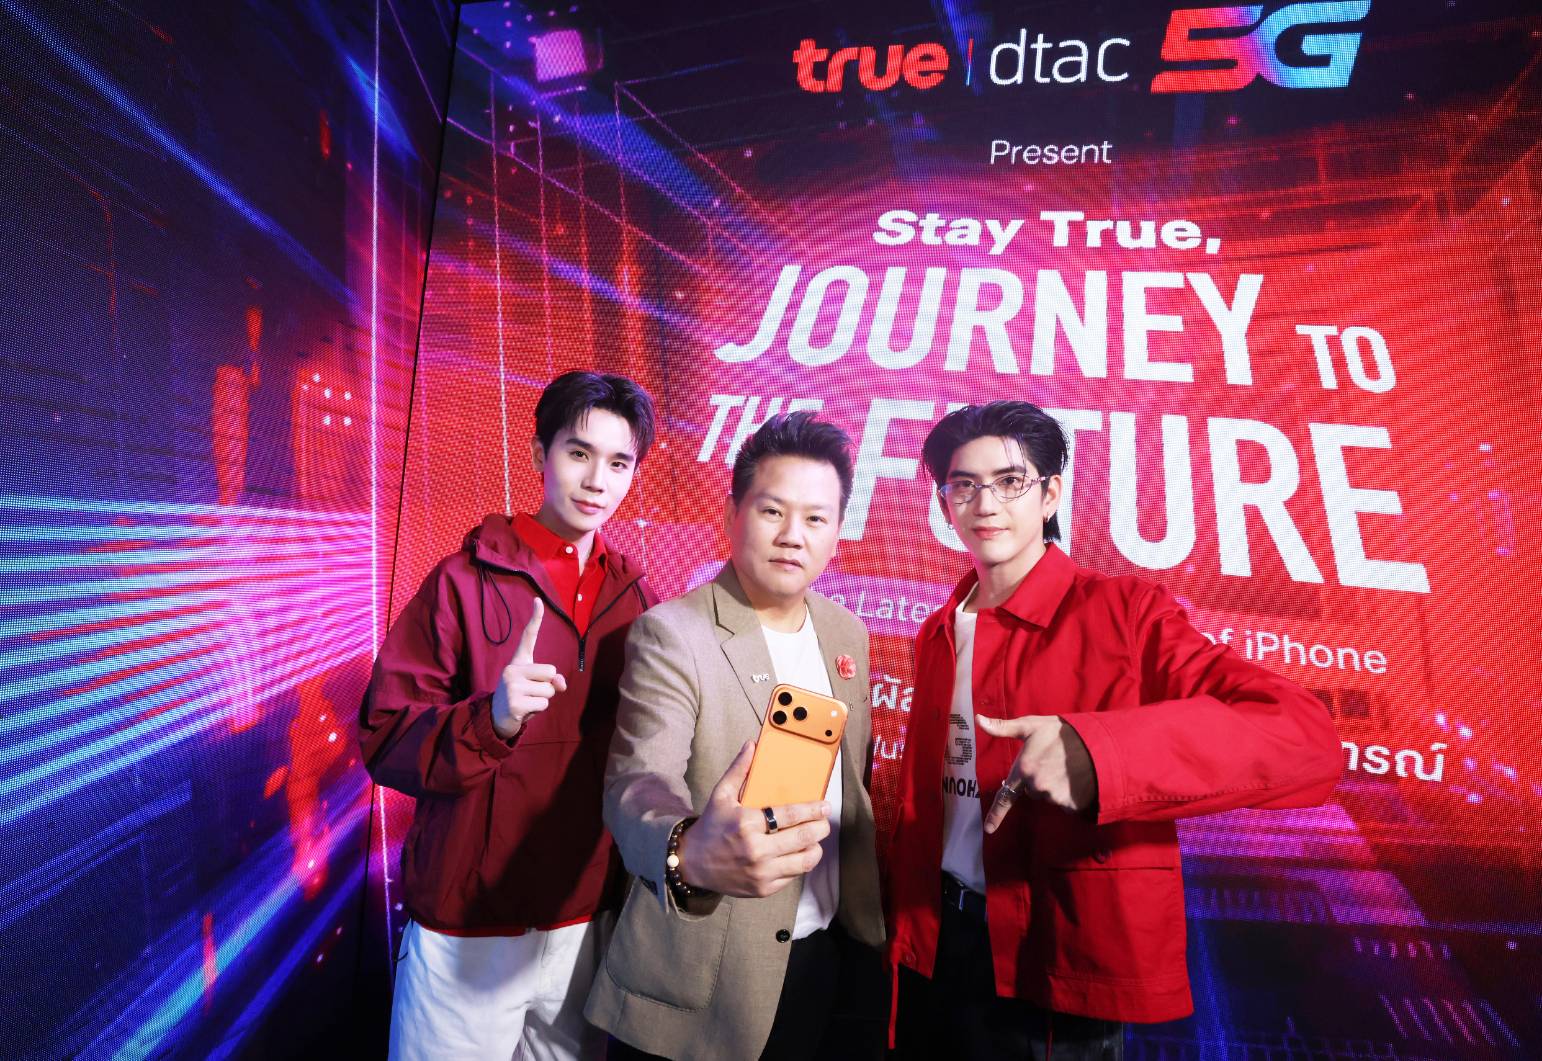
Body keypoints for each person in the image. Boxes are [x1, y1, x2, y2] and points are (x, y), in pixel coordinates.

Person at [886, 400, 1343, 1060]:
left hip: (1053, 960)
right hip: (931, 946)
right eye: (964, 485)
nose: (985, 503)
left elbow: (1302, 735)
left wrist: (1100, 755)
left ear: (1050, 494)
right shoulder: (938, 629)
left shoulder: (1124, 612)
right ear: (945, 501)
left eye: (1010, 482)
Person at [359, 371, 658, 1061]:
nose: (597, 480)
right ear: (538, 454)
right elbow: (384, 735)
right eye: (578, 453)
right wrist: (490, 719)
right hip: (468, 926)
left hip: (581, 922)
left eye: (619, 463)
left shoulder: (635, 597)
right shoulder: (461, 581)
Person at [586, 412, 886, 1061]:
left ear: (837, 532)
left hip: (826, 960)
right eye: (772, 511)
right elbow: (637, 781)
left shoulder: (847, 633)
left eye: (816, 518)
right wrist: (687, 851)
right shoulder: (673, 633)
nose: (792, 536)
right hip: (708, 977)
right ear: (731, 515)